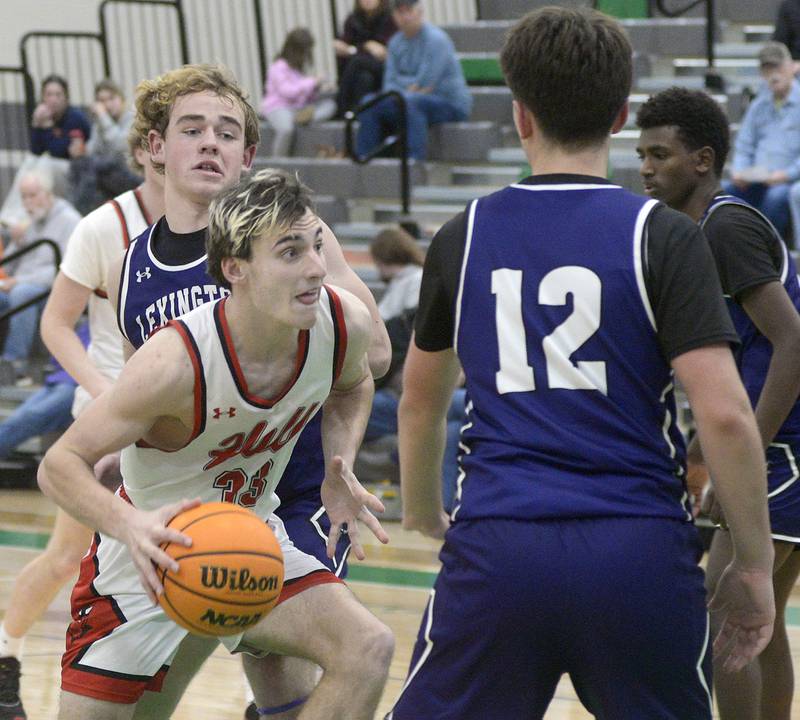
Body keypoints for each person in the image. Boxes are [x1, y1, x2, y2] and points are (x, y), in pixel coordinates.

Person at [388, 8, 776, 719]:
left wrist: (423, 512)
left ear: (520, 115)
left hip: (500, 544)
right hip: (637, 550)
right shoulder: (664, 235)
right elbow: (723, 414)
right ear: (623, 113)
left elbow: (419, 401)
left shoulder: (461, 235)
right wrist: (753, 565)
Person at [37, 168, 395, 720]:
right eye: (290, 252)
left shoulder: (341, 322)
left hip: (249, 539)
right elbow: (59, 465)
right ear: (236, 269)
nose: (317, 268)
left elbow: (355, 385)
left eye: (317, 245)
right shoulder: (173, 362)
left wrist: (336, 468)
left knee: (368, 647)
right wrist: (130, 526)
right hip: (144, 559)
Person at [107, 63, 391, 718]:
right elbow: (138, 389)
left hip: (292, 489)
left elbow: (371, 350)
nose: (210, 143)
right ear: (157, 148)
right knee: (171, 670)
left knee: (290, 658)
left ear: (248, 156)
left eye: (227, 132)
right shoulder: (135, 263)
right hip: (189, 501)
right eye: (194, 130)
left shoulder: (296, 237)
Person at [636, 86, 800, 720]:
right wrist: (705, 440)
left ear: (702, 160)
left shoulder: (726, 226)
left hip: (785, 446)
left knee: (725, 615)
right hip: (779, 441)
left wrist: (748, 449)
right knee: (762, 619)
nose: (647, 167)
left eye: (662, 154)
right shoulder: (700, 229)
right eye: (642, 154)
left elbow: (791, 339)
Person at [0, 130, 166, 720]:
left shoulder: (223, 224)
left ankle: (256, 699)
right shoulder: (103, 227)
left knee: (218, 552)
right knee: (67, 555)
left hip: (189, 427)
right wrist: (103, 393)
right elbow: (55, 324)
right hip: (106, 422)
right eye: (188, 132)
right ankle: (5, 660)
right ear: (150, 148)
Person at [354, 0, 472, 161]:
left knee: (412, 101)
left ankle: (414, 162)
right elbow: (389, 85)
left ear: (420, 12)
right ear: (393, 16)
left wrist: (403, 83)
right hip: (407, 100)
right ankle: (364, 158)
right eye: (400, 12)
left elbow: (424, 85)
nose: (405, 16)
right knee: (368, 102)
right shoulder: (395, 42)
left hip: (449, 104)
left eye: (409, 11)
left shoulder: (436, 39)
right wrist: (408, 85)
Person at [0, 169, 80, 381]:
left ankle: (15, 362)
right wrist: (15, 243)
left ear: (48, 193)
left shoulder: (69, 220)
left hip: (50, 287)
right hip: (20, 284)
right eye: (24, 197)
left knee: (21, 293)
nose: (28, 202)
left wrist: (19, 281)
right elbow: (7, 268)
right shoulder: (31, 220)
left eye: (33, 195)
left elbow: (64, 267)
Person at [723, 42, 800, 245]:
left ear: (792, 67)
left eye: (778, 67)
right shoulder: (758, 106)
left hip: (787, 179)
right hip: (756, 178)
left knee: (776, 197)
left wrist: (786, 175)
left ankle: (763, 247)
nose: (774, 74)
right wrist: (739, 172)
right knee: (723, 192)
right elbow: (744, 144)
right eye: (768, 69)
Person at [0, 322, 87, 463]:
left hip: (78, 386)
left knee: (29, 418)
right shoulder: (89, 325)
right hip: (57, 381)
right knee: (17, 420)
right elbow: (58, 356)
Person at [260, 28, 337, 157]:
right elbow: (288, 92)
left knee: (330, 105)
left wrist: (318, 89)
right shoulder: (278, 67)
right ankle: (278, 162)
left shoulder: (298, 70)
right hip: (278, 108)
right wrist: (312, 82)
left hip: (299, 108)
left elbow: (303, 94)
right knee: (286, 129)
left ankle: (305, 118)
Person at [68, 79, 139, 214]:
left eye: (111, 99)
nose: (107, 105)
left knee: (98, 168)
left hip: (131, 174)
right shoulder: (101, 122)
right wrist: (80, 151)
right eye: (102, 101)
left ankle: (79, 210)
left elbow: (120, 147)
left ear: (122, 99)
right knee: (79, 164)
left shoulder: (133, 119)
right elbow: (92, 151)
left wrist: (103, 117)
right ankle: (76, 210)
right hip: (109, 174)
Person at [334, 0, 397, 117]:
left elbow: (383, 51)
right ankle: (356, 112)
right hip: (362, 70)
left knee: (358, 61)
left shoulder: (390, 19)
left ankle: (340, 106)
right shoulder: (353, 20)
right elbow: (345, 46)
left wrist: (354, 50)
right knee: (365, 78)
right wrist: (363, 47)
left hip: (384, 68)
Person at [29, 75, 91, 161]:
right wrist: (36, 124)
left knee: (44, 164)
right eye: (49, 95)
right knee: (30, 161)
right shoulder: (43, 117)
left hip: (75, 165)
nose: (53, 100)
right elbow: (36, 152)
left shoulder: (75, 118)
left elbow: (59, 153)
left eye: (58, 95)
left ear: (66, 97)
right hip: (53, 164)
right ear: (43, 98)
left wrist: (48, 127)